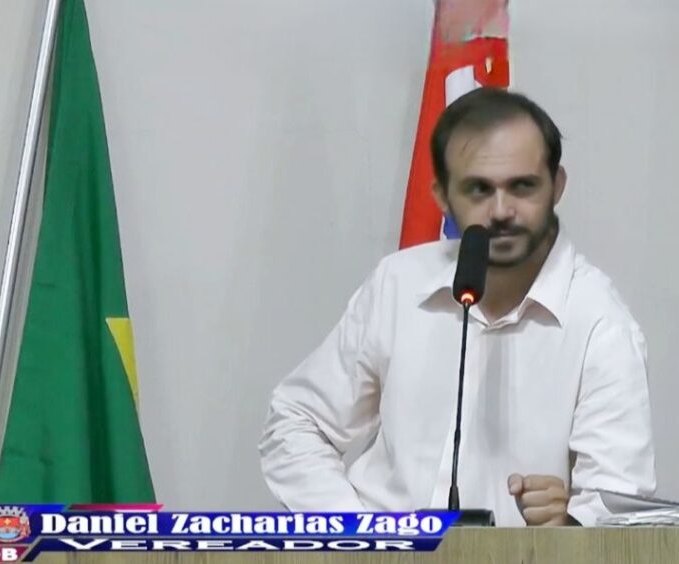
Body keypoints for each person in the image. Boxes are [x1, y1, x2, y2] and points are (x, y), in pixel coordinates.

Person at [259, 87, 655, 527]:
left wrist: (568, 527)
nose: (501, 211)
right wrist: (357, 534)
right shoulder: (398, 283)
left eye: (522, 186)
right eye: (479, 190)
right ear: (443, 197)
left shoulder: (600, 322)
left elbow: (617, 506)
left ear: (557, 186)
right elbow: (297, 421)